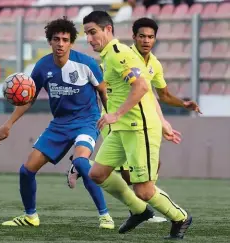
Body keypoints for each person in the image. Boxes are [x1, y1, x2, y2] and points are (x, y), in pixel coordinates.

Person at [0, 17, 114, 229]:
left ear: (71, 42)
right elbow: (28, 98)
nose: (60, 43)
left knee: (81, 163)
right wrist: (8, 124)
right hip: (59, 125)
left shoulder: (86, 63)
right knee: (26, 170)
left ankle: (105, 215)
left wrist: (111, 120)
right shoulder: (42, 67)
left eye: (65, 39)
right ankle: (30, 216)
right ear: (50, 41)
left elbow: (103, 91)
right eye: (56, 39)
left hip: (87, 121)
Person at [83, 10, 195, 239]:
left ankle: (180, 217)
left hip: (139, 127)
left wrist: (116, 114)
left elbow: (142, 87)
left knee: (143, 190)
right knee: (97, 173)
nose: (89, 39)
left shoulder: (117, 53)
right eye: (86, 33)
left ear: (108, 30)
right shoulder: (109, 55)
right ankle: (139, 211)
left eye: (93, 32)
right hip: (122, 129)